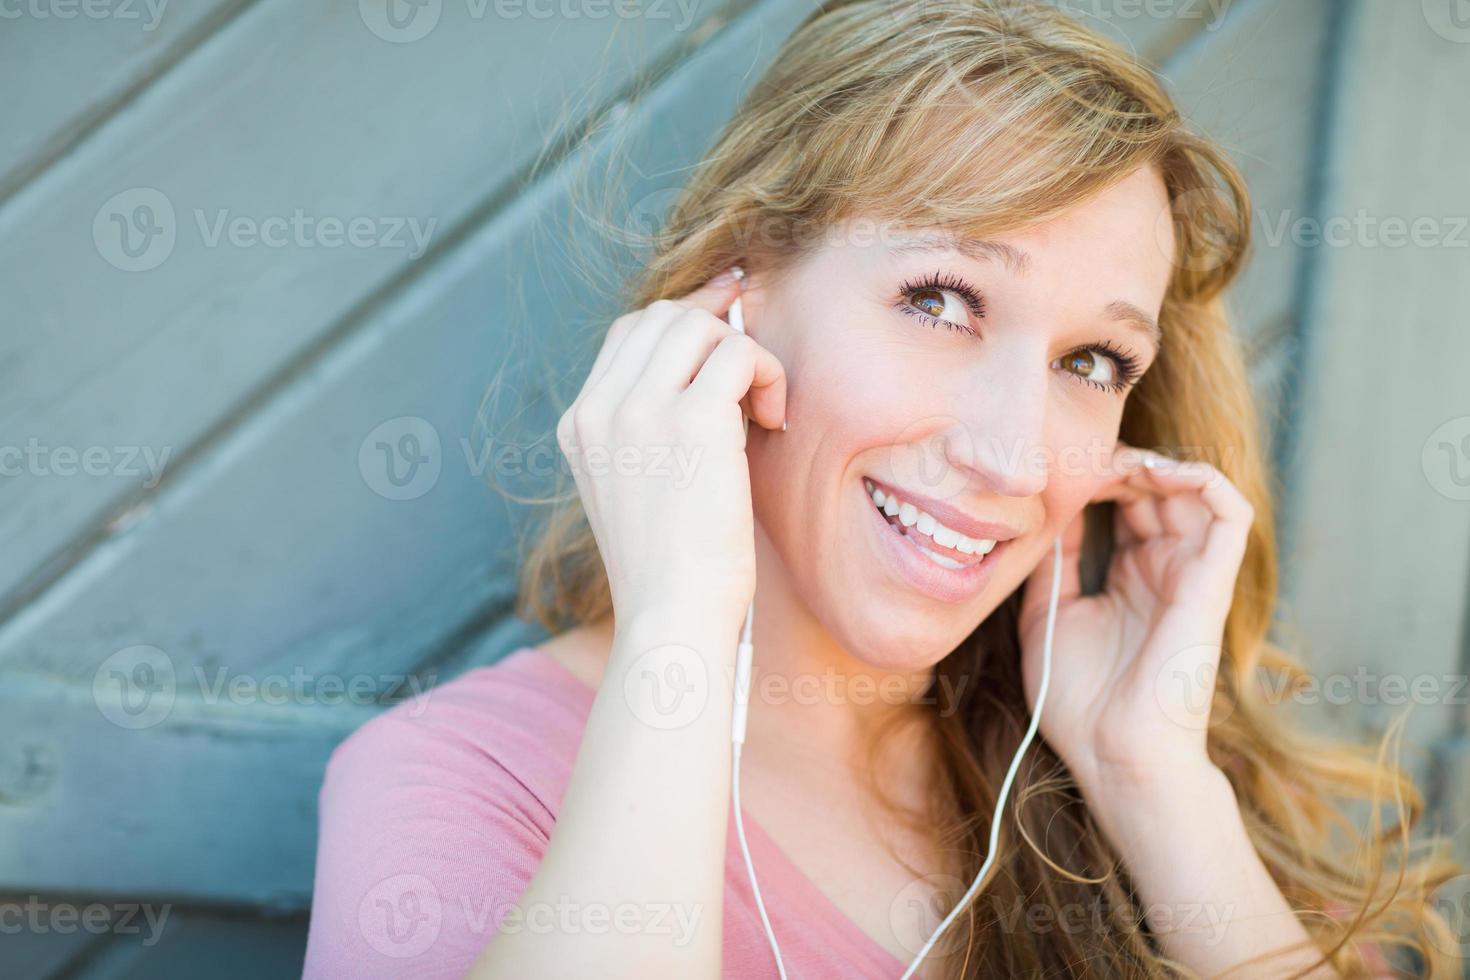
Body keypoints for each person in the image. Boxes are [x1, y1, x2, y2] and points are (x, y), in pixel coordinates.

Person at [302, 1, 1460, 976]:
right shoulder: (457, 783)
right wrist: (681, 626)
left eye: (1089, 362)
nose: (1013, 457)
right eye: (940, 301)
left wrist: (1152, 776)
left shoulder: (1101, 774)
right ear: (736, 293)